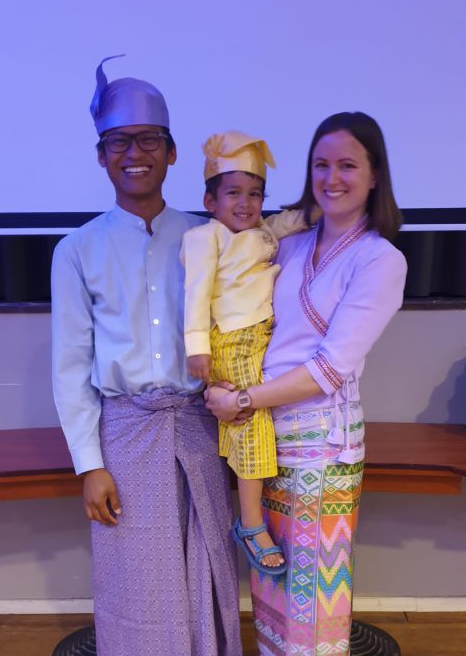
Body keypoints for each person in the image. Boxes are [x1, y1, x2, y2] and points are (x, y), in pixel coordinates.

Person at [51, 55, 242, 656]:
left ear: (172, 152)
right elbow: (70, 367)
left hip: (200, 428)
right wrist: (90, 465)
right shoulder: (76, 249)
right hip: (125, 437)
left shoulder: (209, 237)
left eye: (149, 139)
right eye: (119, 141)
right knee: (136, 585)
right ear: (101, 156)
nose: (135, 153)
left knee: (207, 569)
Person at [205, 112, 407, 655]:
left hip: (322, 445)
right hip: (265, 439)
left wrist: (241, 399)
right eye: (321, 164)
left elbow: (329, 369)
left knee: (312, 613)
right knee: (271, 604)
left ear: (374, 175)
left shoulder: (380, 259)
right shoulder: (288, 244)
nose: (331, 178)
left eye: (347, 165)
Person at [181, 131, 306, 575]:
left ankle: (254, 516)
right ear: (210, 201)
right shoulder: (206, 237)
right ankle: (250, 524)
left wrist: (319, 205)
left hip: (260, 339)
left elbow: (290, 222)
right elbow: (196, 293)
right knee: (249, 423)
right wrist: (196, 346)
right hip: (231, 339)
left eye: (255, 194)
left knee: (255, 424)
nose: (245, 203)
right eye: (233, 193)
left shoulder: (261, 233)